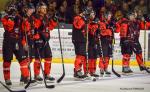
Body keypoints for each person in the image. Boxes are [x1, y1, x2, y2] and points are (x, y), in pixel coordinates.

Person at [1, 4, 30, 86]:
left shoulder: (20, 18)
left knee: (23, 60)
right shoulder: (5, 18)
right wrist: (11, 19)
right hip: (8, 41)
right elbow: (9, 28)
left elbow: (26, 29)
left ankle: (26, 77)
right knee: (7, 61)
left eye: (15, 11)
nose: (14, 12)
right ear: (8, 11)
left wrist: (25, 20)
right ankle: (7, 79)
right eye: (11, 10)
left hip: (18, 40)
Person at [33, 2, 57, 83]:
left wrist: (54, 20)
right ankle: (37, 75)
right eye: (43, 8)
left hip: (46, 40)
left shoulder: (46, 17)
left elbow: (50, 27)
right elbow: (35, 27)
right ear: (39, 9)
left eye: (45, 8)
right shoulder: (35, 17)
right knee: (38, 58)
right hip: (39, 39)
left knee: (48, 57)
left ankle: (47, 74)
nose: (45, 9)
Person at [98, 11, 113, 76]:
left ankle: (106, 68)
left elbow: (114, 31)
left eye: (110, 16)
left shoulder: (109, 23)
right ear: (106, 16)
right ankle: (101, 68)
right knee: (103, 55)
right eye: (109, 16)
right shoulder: (102, 23)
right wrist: (110, 30)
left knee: (108, 55)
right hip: (103, 40)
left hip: (109, 41)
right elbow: (102, 32)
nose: (110, 17)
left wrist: (113, 28)